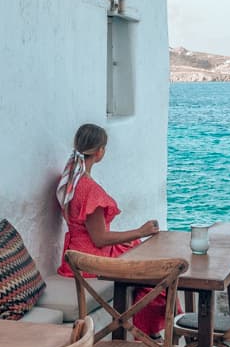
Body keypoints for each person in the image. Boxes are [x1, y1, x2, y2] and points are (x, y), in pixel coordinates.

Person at [56, 123, 166, 335]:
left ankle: (145, 328)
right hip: (89, 260)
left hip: (73, 255)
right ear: (100, 152)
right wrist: (140, 231)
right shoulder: (89, 189)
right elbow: (99, 239)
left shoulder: (71, 179)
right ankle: (147, 331)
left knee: (136, 251)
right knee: (154, 274)